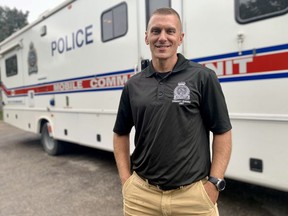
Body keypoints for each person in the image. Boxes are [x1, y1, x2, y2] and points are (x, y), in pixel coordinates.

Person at [113, 7, 232, 216]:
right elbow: (120, 133)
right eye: (156, 31)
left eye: (170, 31)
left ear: (180, 37)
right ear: (146, 37)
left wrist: (214, 183)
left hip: (193, 197)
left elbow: (222, 131)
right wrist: (126, 181)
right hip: (141, 198)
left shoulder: (203, 77)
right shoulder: (133, 85)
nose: (162, 38)